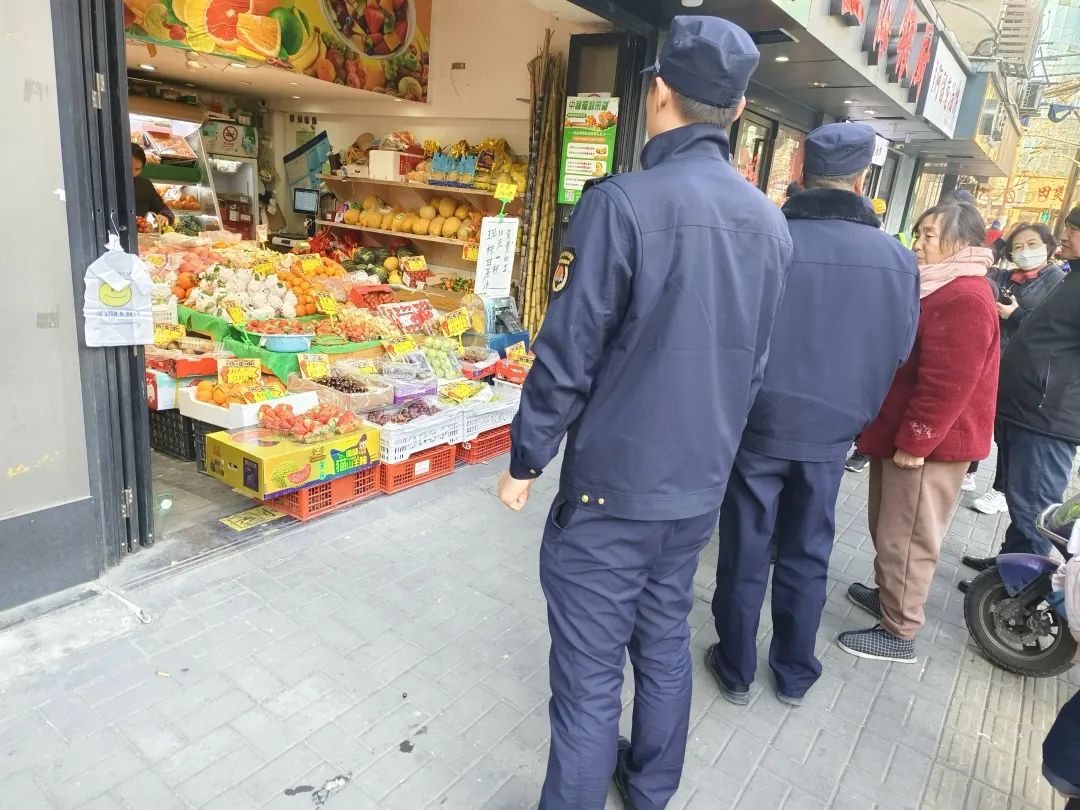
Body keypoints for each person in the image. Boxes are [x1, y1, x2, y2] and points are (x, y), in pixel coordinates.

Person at [497, 16, 791, 809]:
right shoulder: (770, 223)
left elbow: (569, 351)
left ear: (659, 92)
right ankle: (652, 788)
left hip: (612, 492)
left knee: (589, 675)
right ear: (737, 109)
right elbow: (755, 366)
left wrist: (527, 458)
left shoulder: (622, 203)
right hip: (695, 488)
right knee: (662, 641)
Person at [706, 122, 919, 706]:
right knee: (807, 553)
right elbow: (899, 350)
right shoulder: (897, 259)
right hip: (833, 431)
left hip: (757, 424)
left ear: (801, 170)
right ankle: (795, 671)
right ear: (862, 178)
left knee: (745, 548)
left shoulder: (765, 237)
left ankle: (736, 666)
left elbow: (730, 332)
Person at [840, 203, 999, 662]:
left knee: (908, 537)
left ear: (962, 242)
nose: (919, 243)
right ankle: (889, 596)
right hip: (908, 436)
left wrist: (917, 440)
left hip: (929, 446)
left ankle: (900, 629)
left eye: (930, 235)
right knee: (889, 526)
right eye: (920, 233)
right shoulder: (941, 284)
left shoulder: (964, 295)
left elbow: (948, 383)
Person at [959, 206, 1080, 586]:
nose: (1065, 235)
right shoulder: (1072, 277)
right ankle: (1008, 566)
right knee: (1019, 498)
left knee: (1035, 508)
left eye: (1074, 229)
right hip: (1025, 409)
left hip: (1047, 418)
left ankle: (1015, 596)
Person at [967, 222, 1066, 513]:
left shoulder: (1058, 282)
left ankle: (1001, 489)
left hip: (1026, 370)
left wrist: (1016, 314)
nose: (1025, 252)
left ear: (1049, 248)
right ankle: (969, 470)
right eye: (1018, 247)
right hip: (994, 358)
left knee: (1007, 430)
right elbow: (982, 268)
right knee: (981, 417)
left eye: (1032, 245)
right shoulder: (1006, 276)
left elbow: (1050, 329)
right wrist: (999, 246)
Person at [131, 142, 174, 223]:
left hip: (140, 230)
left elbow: (161, 207)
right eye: (129, 168)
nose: (133, 174)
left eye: (137, 169)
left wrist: (165, 216)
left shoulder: (145, 184)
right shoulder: (108, 184)